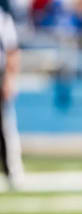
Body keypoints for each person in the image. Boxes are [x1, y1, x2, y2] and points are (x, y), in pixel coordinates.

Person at [0, 5, 24, 190]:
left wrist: (9, 79)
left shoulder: (4, 19)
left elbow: (12, 51)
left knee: (5, 126)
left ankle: (12, 171)